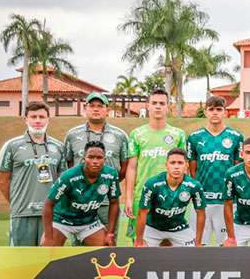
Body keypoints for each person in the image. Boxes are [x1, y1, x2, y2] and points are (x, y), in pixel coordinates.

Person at [0, 101, 66, 246]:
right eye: (33, 117)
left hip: (51, 215)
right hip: (22, 213)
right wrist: (17, 202)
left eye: (42, 117)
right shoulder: (12, 146)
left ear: (48, 119)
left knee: (49, 262)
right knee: (20, 261)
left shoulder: (59, 147)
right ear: (25, 119)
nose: (38, 121)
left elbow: (63, 182)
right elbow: (2, 181)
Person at [63, 92, 128, 242]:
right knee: (79, 246)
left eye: (100, 106)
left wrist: (107, 184)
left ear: (107, 110)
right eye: (92, 106)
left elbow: (124, 167)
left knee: (107, 242)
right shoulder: (72, 135)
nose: (96, 109)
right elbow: (69, 164)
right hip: (79, 201)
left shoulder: (120, 135)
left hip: (106, 201)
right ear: (85, 109)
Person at [124, 89, 186, 243]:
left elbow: (184, 168)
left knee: (168, 243)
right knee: (140, 244)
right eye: (154, 103)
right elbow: (132, 168)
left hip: (171, 198)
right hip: (142, 195)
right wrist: (129, 198)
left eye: (162, 103)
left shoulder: (178, 134)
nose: (158, 106)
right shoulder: (136, 134)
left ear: (168, 107)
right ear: (148, 106)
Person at [186, 96, 244, 246]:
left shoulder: (236, 137)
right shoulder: (194, 138)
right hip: (202, 202)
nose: (215, 113)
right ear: (205, 112)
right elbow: (192, 170)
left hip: (227, 202)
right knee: (198, 246)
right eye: (211, 109)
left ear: (225, 112)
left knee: (226, 246)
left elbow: (238, 170)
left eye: (219, 109)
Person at [41, 141, 120, 246]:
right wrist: (48, 235)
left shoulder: (110, 175)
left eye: (99, 158)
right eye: (90, 157)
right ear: (84, 158)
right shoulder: (69, 176)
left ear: (104, 160)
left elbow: (114, 202)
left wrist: (110, 233)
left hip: (88, 222)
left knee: (107, 250)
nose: (95, 161)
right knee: (47, 249)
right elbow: (48, 204)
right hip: (61, 220)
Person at [134, 148, 206, 247]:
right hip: (153, 228)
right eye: (172, 163)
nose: (176, 167)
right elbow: (142, 213)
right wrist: (139, 240)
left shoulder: (194, 185)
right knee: (141, 253)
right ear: (166, 165)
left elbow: (201, 213)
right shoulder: (152, 184)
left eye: (180, 163)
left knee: (193, 256)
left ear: (186, 165)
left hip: (179, 228)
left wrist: (198, 243)